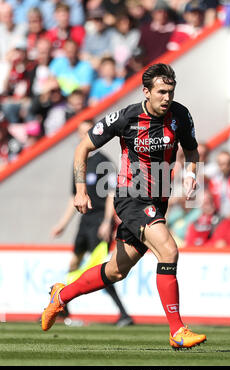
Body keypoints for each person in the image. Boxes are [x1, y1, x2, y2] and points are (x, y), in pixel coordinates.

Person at [41, 62, 207, 350]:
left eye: (171, 91)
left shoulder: (180, 115)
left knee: (117, 270)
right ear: (146, 91)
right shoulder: (126, 118)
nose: (167, 98)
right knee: (169, 250)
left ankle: (61, 296)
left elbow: (191, 149)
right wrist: (80, 191)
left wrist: (192, 174)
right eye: (161, 92)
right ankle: (177, 330)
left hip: (158, 201)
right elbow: (83, 147)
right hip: (131, 197)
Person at [51, 119, 133, 327]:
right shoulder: (79, 161)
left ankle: (124, 314)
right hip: (85, 220)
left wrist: (107, 221)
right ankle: (62, 309)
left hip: (99, 219)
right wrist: (63, 223)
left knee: (101, 269)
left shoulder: (104, 163)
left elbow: (111, 195)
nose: (82, 136)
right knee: (73, 264)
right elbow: (74, 196)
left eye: (85, 132)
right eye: (79, 132)